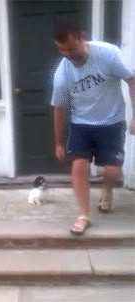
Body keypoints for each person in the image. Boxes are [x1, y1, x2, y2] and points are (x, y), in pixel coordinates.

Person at [51, 28, 135, 235]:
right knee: (79, 165)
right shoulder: (62, 73)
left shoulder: (108, 54)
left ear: (81, 37)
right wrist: (59, 142)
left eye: (71, 48)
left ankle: (107, 192)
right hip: (82, 124)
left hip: (112, 121)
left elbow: (132, 80)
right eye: (62, 50)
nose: (68, 54)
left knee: (112, 170)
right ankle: (83, 216)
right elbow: (59, 109)